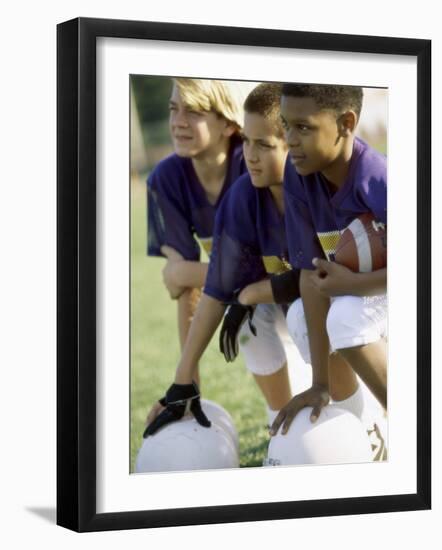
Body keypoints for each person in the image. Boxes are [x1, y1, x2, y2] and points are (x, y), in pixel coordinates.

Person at [144, 83, 364, 438]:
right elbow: (215, 289)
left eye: (263, 144)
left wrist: (247, 293)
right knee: (248, 321)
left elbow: (316, 276)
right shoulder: (243, 196)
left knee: (307, 315)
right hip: (289, 299)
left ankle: (362, 423)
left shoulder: (317, 183)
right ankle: (281, 424)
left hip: (357, 299)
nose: (250, 155)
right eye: (248, 141)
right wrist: (183, 382)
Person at [270, 83, 387, 449]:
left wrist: (353, 285)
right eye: (286, 125)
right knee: (301, 320)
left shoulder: (378, 179)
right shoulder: (298, 174)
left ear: (345, 122)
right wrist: (319, 383)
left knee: (343, 318)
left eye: (303, 127)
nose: (290, 139)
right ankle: (367, 433)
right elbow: (309, 275)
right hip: (366, 291)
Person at [147, 78, 253, 385]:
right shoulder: (167, 178)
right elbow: (185, 289)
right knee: (245, 315)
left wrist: (186, 273)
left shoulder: (254, 163)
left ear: (229, 124)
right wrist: (187, 382)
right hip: (250, 297)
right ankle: (280, 416)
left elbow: (270, 270)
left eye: (193, 111)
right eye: (173, 108)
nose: (178, 122)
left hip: (297, 291)